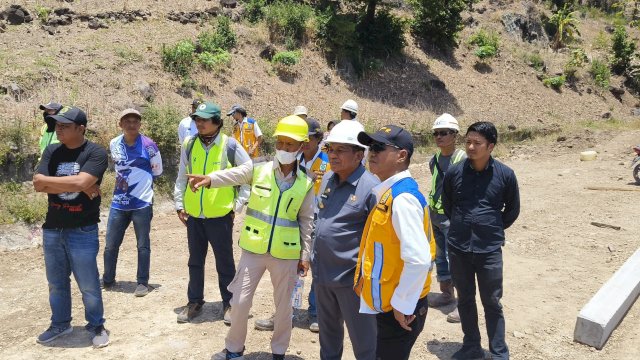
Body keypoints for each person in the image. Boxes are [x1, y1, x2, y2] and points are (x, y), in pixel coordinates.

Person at [188, 115, 314, 360]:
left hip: (286, 253)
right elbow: (235, 174)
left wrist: (305, 255)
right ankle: (234, 349)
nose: (284, 149)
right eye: (281, 143)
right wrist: (211, 179)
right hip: (254, 248)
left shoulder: (306, 182)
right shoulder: (260, 168)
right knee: (240, 301)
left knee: (283, 307)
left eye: (290, 144)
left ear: (301, 146)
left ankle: (279, 351)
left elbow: (307, 222)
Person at [355, 125, 435, 360]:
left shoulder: (402, 199)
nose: (372, 152)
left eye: (379, 147)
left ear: (402, 155)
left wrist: (402, 303)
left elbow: (420, 260)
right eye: (370, 147)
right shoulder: (390, 194)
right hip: (390, 307)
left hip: (399, 311)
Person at [33, 106, 110, 347]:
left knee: (88, 283)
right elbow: (37, 184)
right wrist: (77, 185)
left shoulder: (96, 153)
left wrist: (73, 183)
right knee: (56, 282)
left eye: (65, 126)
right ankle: (60, 324)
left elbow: (84, 181)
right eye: (57, 125)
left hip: (83, 229)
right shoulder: (52, 150)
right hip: (53, 228)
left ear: (81, 128)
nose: (59, 129)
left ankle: (97, 325)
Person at [442, 121, 520, 360]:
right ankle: (471, 346)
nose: (471, 147)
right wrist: (463, 225)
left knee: (492, 302)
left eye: (477, 143)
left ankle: (498, 353)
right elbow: (448, 205)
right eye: (468, 142)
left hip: (489, 250)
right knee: (465, 299)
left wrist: (492, 226)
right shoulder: (455, 172)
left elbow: (512, 210)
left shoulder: (505, 175)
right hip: (458, 247)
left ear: (491, 146)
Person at [174, 101, 251, 324]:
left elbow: (248, 174)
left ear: (217, 122)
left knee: (224, 262)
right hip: (194, 217)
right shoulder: (188, 144)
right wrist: (180, 205)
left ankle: (229, 303)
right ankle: (195, 302)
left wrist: (237, 205)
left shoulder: (230, 145)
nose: (200, 123)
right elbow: (181, 177)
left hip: (220, 217)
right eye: (197, 119)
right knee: (195, 261)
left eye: (205, 119)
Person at [253, 117, 330, 333]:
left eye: (311, 139)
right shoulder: (293, 161)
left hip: (318, 220)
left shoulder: (328, 162)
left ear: (317, 140)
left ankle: (316, 313)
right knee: (291, 271)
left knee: (316, 268)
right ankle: (286, 313)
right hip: (291, 221)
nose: (305, 144)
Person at [313, 120, 379, 360]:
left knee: (364, 342)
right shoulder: (329, 179)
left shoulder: (372, 188)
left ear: (359, 154)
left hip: (353, 281)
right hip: (322, 275)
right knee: (328, 339)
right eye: (330, 149)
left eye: (341, 150)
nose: (333, 155)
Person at [102, 109, 163, 297]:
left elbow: (158, 171)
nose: (131, 124)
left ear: (140, 124)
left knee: (143, 245)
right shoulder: (114, 143)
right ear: (120, 124)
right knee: (110, 244)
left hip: (142, 202)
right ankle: (108, 279)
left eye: (135, 121)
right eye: (127, 121)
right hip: (119, 202)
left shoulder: (149, 145)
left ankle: (142, 282)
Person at [427, 113, 466, 323]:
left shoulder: (462, 159)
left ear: (454, 135)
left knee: (457, 261)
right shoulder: (434, 159)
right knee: (441, 258)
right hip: (436, 216)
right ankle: (446, 294)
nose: (439, 137)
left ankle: (463, 303)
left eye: (444, 133)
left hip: (453, 218)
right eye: (436, 133)